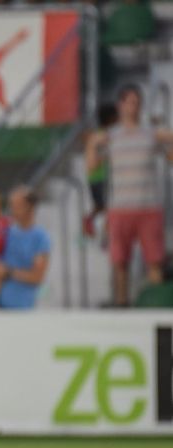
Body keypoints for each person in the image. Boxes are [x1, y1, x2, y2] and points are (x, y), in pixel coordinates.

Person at [85, 84, 173, 306]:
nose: (134, 107)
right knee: (120, 261)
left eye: (137, 102)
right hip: (120, 206)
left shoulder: (150, 134)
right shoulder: (111, 137)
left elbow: (169, 155)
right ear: (121, 106)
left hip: (148, 205)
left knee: (154, 259)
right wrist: (92, 144)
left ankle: (156, 303)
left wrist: (164, 135)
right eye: (130, 102)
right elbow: (92, 165)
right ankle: (121, 304)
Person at [0, 186, 50, 310]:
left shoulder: (41, 238)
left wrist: (8, 272)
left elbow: (37, 277)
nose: (12, 210)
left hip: (21, 308)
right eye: (11, 205)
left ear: (29, 207)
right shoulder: (6, 231)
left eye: (17, 205)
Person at [82, 103, 117, 238]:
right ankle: (106, 234)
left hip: (95, 177)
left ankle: (89, 221)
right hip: (100, 176)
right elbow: (95, 159)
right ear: (111, 119)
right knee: (108, 207)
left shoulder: (98, 135)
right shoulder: (103, 136)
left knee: (101, 206)